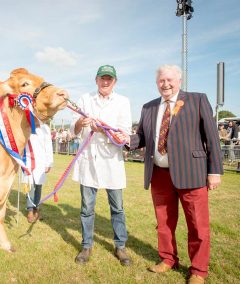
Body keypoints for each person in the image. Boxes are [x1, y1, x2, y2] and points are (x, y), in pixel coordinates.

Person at [119, 64, 223, 284]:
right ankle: (167, 259)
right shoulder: (148, 108)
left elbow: (212, 137)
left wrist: (214, 171)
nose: (165, 84)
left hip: (192, 173)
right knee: (164, 222)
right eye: (161, 81)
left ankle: (198, 270)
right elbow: (142, 137)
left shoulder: (197, 99)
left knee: (197, 225)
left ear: (179, 81)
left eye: (169, 80)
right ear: (157, 83)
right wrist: (127, 139)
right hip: (159, 174)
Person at [70, 64, 132, 266]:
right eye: (102, 78)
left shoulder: (123, 102)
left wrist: (101, 128)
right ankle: (86, 245)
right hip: (89, 160)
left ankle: (120, 246)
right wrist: (82, 122)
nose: (105, 82)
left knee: (117, 208)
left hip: (112, 161)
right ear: (96, 80)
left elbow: (124, 133)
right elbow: (74, 129)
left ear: (114, 82)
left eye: (109, 79)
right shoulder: (85, 99)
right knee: (87, 207)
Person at [23, 123, 53, 223]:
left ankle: (36, 208)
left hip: (41, 161)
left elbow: (48, 146)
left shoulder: (45, 128)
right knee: (29, 185)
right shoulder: (26, 124)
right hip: (28, 159)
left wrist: (49, 162)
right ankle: (30, 210)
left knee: (38, 186)